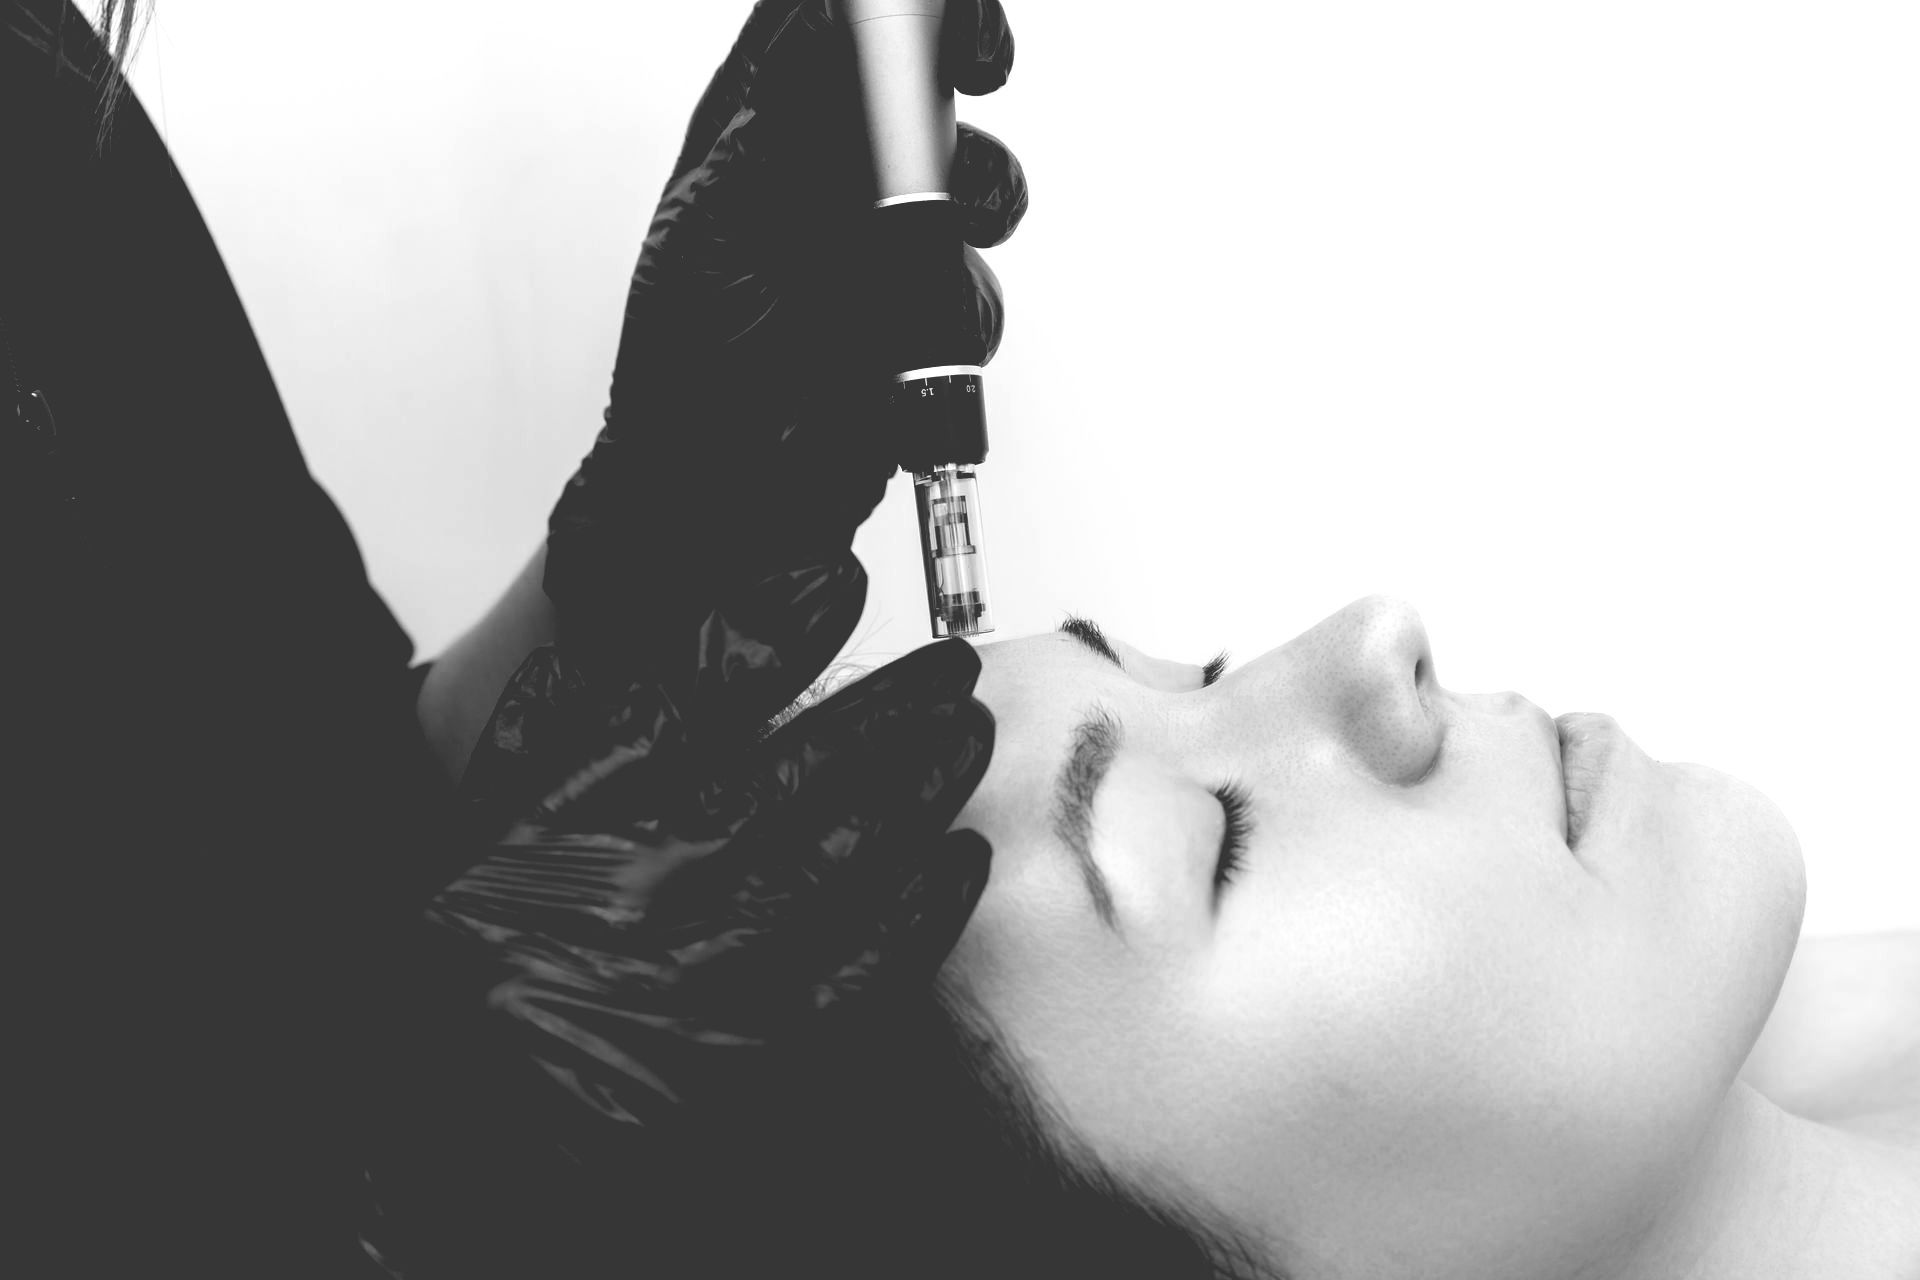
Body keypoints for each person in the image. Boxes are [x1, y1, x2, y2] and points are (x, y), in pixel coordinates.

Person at [3, 0, 1024, 1275]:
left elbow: (289, 786)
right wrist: (368, 1202)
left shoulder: (33, 81)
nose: (1361, 637)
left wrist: (648, 535)